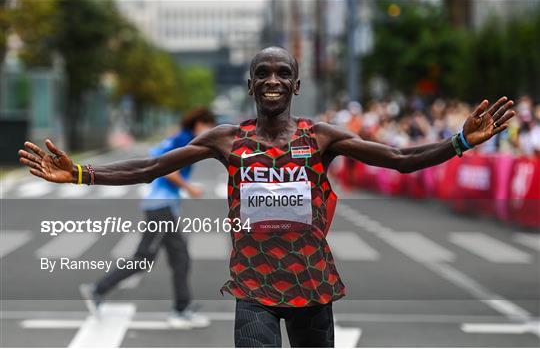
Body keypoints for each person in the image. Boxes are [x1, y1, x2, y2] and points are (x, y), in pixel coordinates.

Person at [19, 46, 515, 347]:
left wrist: (461, 142)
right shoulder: (225, 139)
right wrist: (82, 173)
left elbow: (400, 159)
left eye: (282, 73)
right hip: (253, 289)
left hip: (313, 287)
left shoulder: (322, 137)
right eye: (263, 73)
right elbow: (150, 167)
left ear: (295, 84)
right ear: (252, 83)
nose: (272, 80)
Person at [80, 107, 215, 329]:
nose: (209, 130)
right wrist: (189, 187)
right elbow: (165, 168)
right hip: (160, 208)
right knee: (147, 258)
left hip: (163, 207)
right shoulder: (185, 139)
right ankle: (98, 289)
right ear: (198, 123)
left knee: (178, 257)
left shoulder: (181, 138)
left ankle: (182, 307)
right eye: (207, 125)